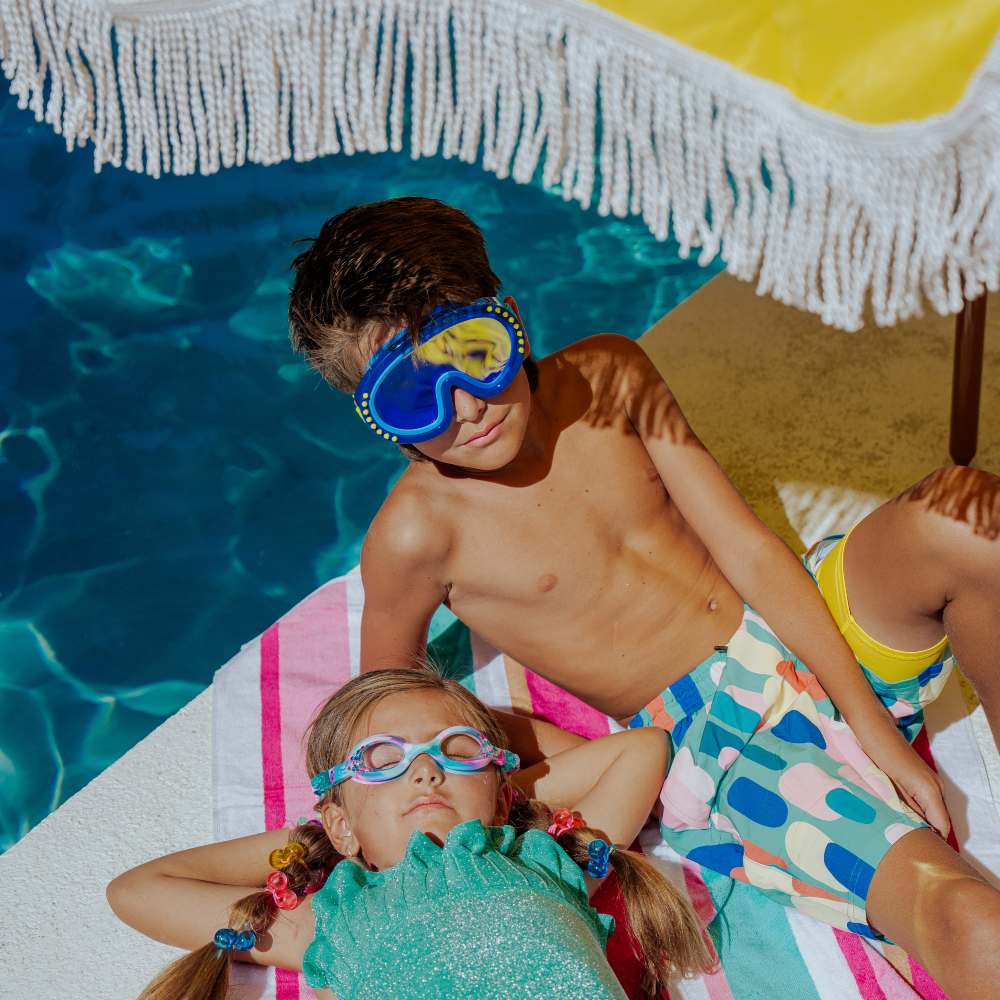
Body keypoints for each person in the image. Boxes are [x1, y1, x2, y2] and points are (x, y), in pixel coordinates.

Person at [285, 196, 1000, 999]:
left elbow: (748, 551)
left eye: (474, 353)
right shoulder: (416, 537)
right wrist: (545, 753)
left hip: (799, 619)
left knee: (966, 514)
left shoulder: (612, 375)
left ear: (511, 320)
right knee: (966, 916)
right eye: (413, 398)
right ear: (374, 420)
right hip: (728, 744)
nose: (465, 405)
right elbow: (391, 716)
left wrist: (875, 727)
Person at [107, 668, 716, 999]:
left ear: (506, 797)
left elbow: (643, 748)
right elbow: (137, 889)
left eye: (455, 750)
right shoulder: (337, 922)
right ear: (340, 822)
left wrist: (494, 791)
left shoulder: (542, 861)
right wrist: (323, 832)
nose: (425, 768)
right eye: (381, 759)